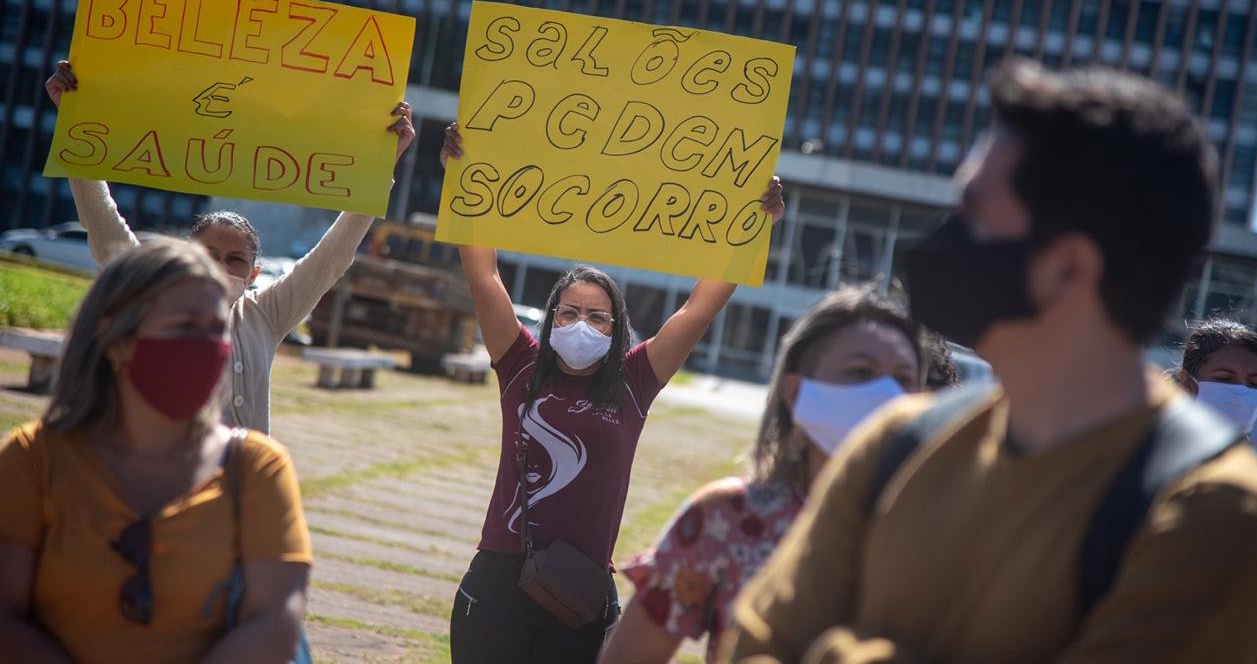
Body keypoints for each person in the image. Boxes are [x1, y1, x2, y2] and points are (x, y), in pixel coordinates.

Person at [723, 59, 1257, 662]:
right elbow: (752, 646)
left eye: (974, 215)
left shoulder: (1218, 517)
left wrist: (837, 649)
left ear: (1069, 268)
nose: (944, 240)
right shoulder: (896, 443)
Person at [439, 123, 784, 664]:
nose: (581, 324)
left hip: (580, 592)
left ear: (618, 327)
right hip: (501, 579)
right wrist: (462, 176)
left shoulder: (635, 380)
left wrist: (753, 224)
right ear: (550, 319)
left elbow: (701, 306)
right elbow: (483, 273)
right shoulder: (520, 364)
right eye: (569, 312)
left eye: (598, 317)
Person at [44, 60, 417, 433]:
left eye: (235, 260)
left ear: (254, 274)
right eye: (209, 255)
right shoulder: (153, 294)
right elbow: (102, 223)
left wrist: (382, 164)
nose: (220, 267)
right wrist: (73, 119)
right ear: (187, 255)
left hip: (239, 484)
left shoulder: (267, 313)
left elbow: (333, 256)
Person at [0, 238, 311, 663]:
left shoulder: (258, 469)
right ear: (117, 339)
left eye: (216, 328)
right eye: (185, 327)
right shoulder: (31, 460)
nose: (205, 345)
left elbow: (275, 623)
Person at [599, 285, 925, 664]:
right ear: (796, 391)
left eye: (903, 380)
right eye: (860, 372)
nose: (885, 395)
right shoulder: (726, 519)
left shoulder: (945, 534)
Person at [1175, 317, 1257, 433]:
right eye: (1224, 378)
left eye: (1255, 383)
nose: (1240, 392)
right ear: (1187, 383)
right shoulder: (1157, 446)